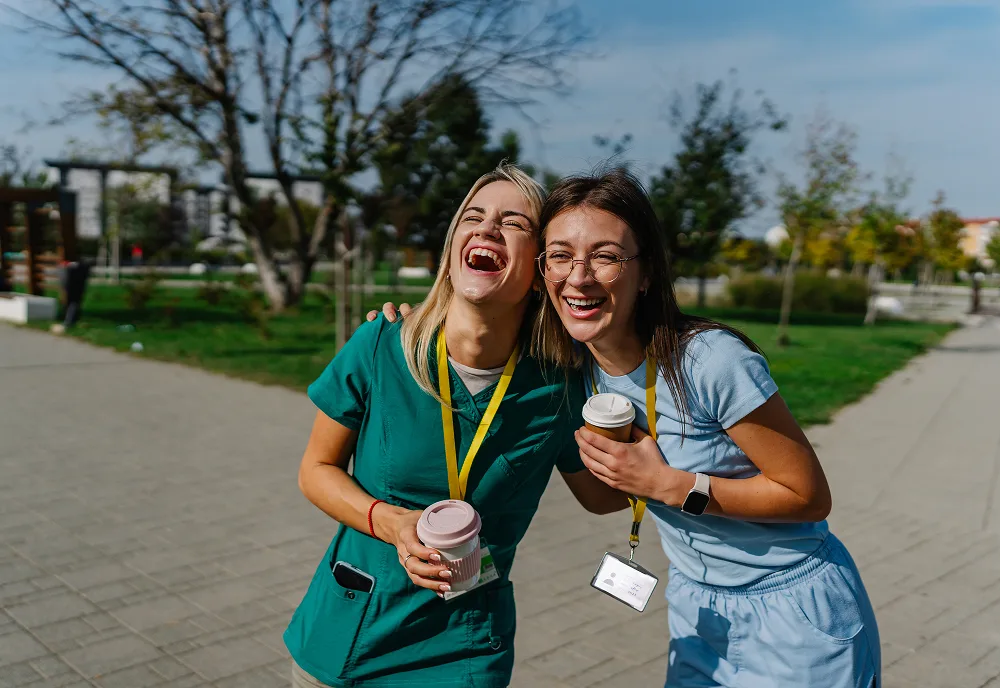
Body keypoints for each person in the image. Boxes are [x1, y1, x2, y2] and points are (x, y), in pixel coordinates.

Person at [373, 169, 881, 688]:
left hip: (791, 607)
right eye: (561, 255)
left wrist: (669, 486)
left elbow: (809, 496)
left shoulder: (710, 362)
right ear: (541, 271)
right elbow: (599, 494)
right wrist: (417, 322)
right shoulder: (572, 366)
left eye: (607, 256)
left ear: (646, 275)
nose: (580, 275)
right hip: (696, 608)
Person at [286, 163, 626, 688]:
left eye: (513, 222)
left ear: (540, 270)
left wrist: (643, 439)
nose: (488, 228)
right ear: (451, 250)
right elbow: (316, 469)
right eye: (474, 216)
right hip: (349, 634)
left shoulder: (559, 387)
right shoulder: (380, 346)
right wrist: (393, 523)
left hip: (464, 649)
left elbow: (603, 499)